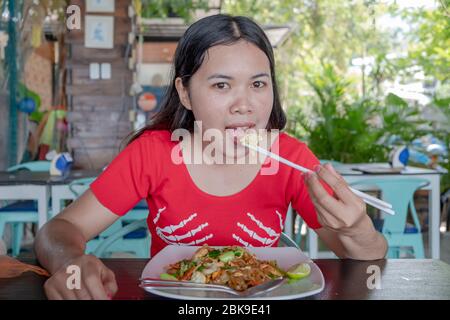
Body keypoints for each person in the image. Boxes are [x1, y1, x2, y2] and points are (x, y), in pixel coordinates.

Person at [35, 14, 387, 300]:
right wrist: (70, 262)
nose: (244, 104)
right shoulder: (153, 154)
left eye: (258, 84)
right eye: (221, 85)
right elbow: (58, 230)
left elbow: (364, 258)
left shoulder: (290, 157)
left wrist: (358, 228)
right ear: (185, 93)